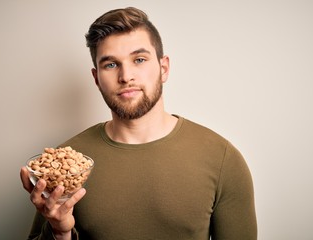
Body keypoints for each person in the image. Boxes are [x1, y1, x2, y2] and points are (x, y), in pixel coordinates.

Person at [20, 7, 257, 240]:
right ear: (96, 78)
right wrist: (60, 232)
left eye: (139, 59)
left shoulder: (222, 158)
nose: (126, 76)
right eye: (111, 64)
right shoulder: (68, 164)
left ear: (163, 69)